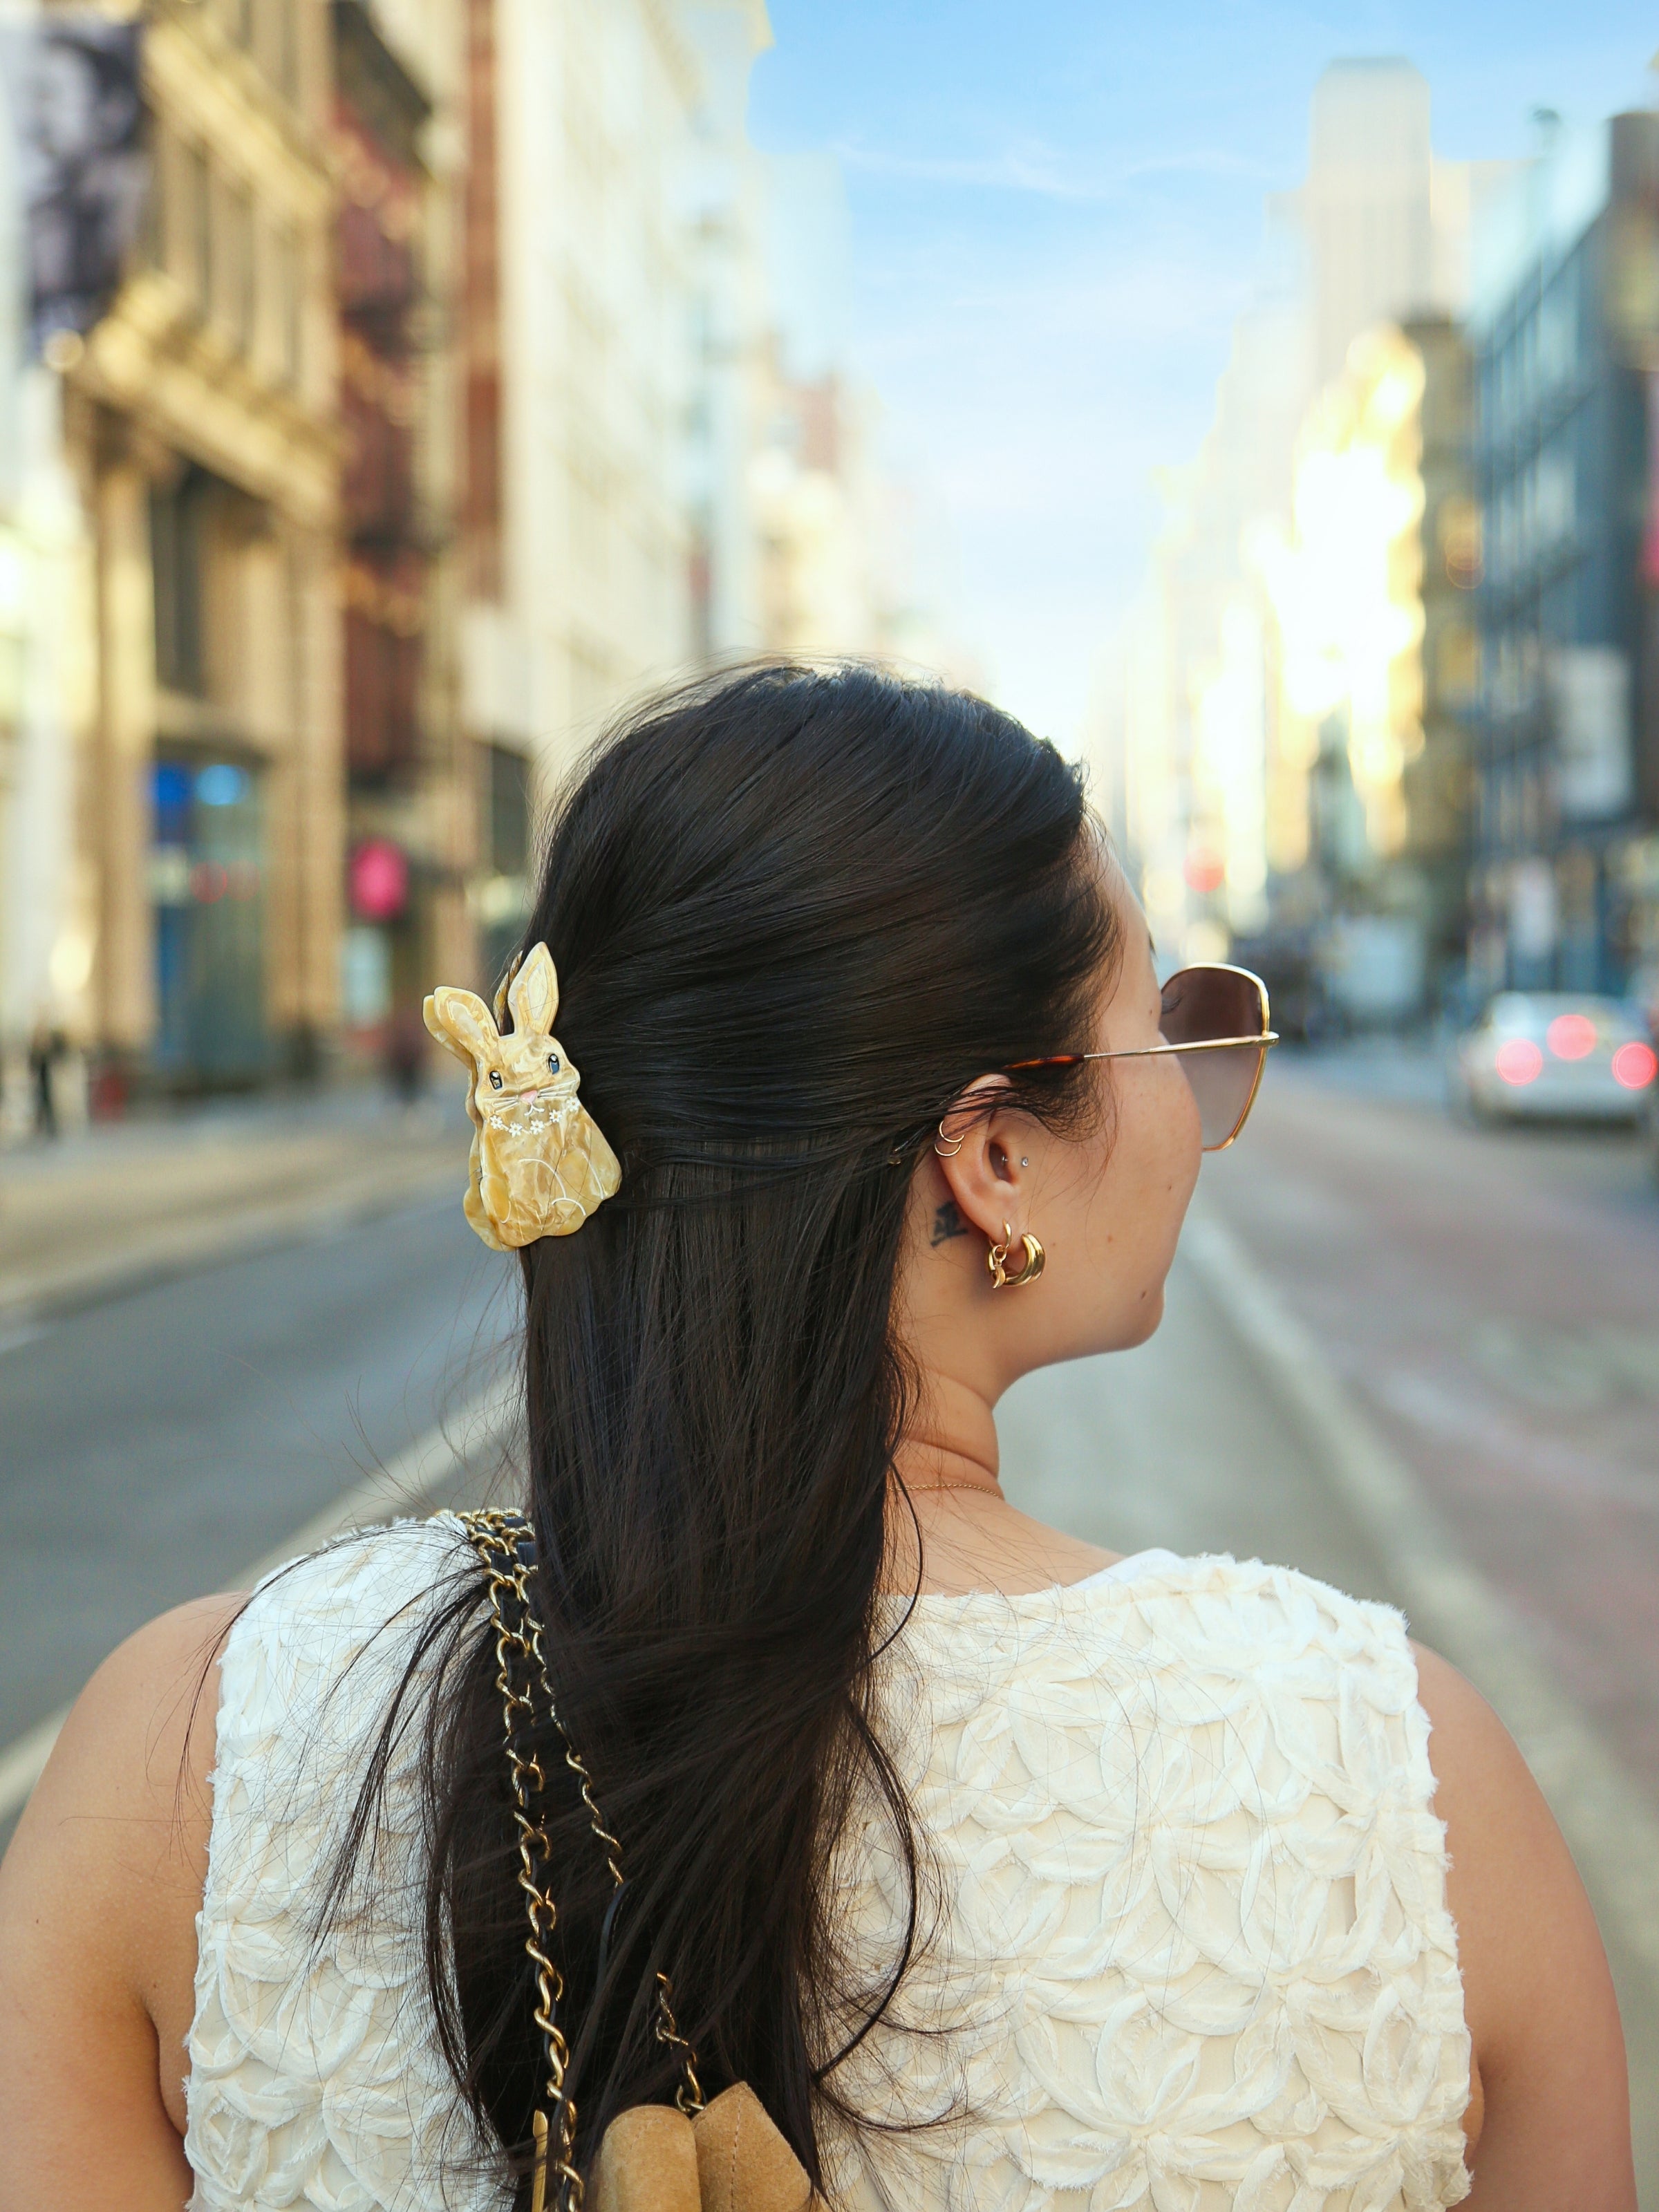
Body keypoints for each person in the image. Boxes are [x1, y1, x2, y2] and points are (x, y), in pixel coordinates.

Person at [0, 666, 1633, 2210]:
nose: (1206, 1089)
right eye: (1174, 1026)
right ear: (991, 1154)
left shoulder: (179, 1749)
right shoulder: (1396, 1779)